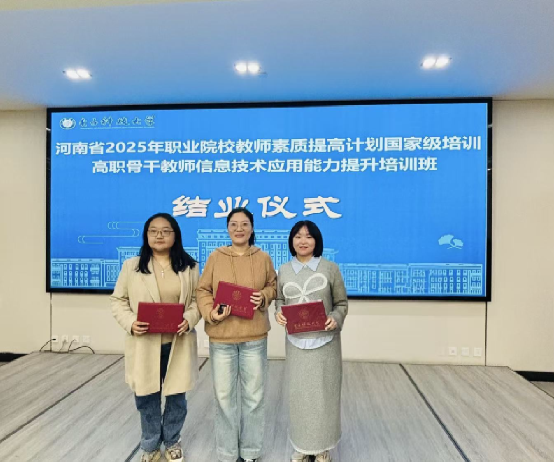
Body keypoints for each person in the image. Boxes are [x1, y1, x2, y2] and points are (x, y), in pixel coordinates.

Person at [111, 212, 201, 462]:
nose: (159, 235)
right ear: (146, 235)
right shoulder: (132, 266)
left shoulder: (190, 266)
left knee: (177, 397)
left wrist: (189, 319)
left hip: (177, 342)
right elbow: (118, 301)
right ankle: (150, 445)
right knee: (146, 397)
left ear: (175, 235)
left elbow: (197, 301)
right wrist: (131, 322)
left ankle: (172, 441)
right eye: (153, 231)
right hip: (145, 343)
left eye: (165, 231)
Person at [196, 207, 277, 462]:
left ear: (252, 228)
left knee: (254, 397)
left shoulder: (263, 257)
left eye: (244, 224)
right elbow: (202, 290)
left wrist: (263, 296)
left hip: (254, 337)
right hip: (222, 337)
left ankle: (251, 451)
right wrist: (211, 313)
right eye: (233, 224)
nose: (239, 229)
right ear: (227, 228)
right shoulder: (216, 257)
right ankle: (228, 453)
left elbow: (273, 285)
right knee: (223, 398)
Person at [275, 220, 348, 462]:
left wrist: (335, 318)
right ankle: (303, 445)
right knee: (299, 396)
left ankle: (322, 447)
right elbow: (279, 300)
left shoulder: (330, 268)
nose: (303, 241)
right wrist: (278, 312)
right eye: (298, 236)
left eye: (308, 236)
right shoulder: (284, 270)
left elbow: (341, 303)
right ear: (291, 241)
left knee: (324, 396)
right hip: (296, 343)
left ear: (317, 240)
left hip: (325, 344)